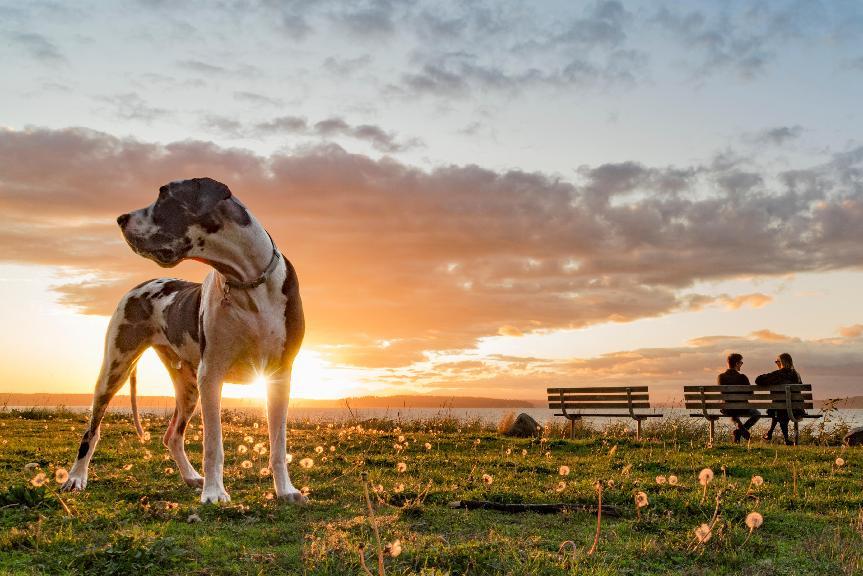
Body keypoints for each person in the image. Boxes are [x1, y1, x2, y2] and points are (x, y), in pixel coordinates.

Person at [756, 352, 804, 445]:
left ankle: (774, 434)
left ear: (780, 362)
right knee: (780, 410)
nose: (776, 363)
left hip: (779, 409)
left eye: (776, 361)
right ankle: (779, 437)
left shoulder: (776, 374)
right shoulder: (796, 375)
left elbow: (758, 380)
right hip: (796, 409)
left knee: (778, 409)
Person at [717, 353, 760, 443]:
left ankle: (740, 429)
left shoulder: (721, 377)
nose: (741, 364)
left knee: (732, 411)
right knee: (757, 413)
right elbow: (751, 394)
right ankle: (741, 431)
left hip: (727, 409)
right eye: (741, 362)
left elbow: (723, 393)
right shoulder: (742, 377)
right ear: (736, 364)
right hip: (742, 408)